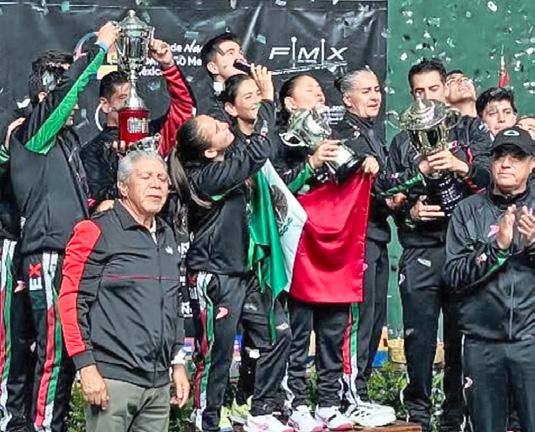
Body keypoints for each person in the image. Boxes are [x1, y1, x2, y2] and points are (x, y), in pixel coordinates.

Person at [9, 22, 119, 432]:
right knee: (54, 352)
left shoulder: (69, 141)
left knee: (66, 350)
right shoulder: (33, 133)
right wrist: (99, 49)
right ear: (45, 93)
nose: (76, 103)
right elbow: (66, 92)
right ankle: (43, 426)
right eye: (63, 90)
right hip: (48, 253)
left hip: (70, 253)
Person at [173, 69, 291, 432]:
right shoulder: (207, 177)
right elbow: (258, 152)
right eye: (216, 128)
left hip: (245, 272)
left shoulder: (227, 161)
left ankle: (258, 409)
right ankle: (205, 421)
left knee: (277, 333)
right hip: (215, 276)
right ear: (209, 150)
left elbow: (253, 150)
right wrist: (267, 100)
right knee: (217, 354)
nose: (224, 125)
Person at [385, 58, 492, 432]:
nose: (426, 97)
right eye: (419, 91)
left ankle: (454, 417)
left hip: (466, 249)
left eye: (433, 89)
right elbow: (387, 189)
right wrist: (410, 209)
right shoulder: (402, 140)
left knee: (462, 337)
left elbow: (491, 178)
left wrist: (460, 166)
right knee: (418, 338)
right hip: (421, 249)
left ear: (445, 89)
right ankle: (417, 414)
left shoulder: (471, 128)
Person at [58, 150, 189, 432]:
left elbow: (174, 303)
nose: (156, 184)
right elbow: (71, 301)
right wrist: (86, 367)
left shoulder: (167, 235)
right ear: (123, 186)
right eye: (146, 177)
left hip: (158, 385)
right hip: (112, 381)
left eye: (162, 178)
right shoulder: (95, 231)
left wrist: (178, 363)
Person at [277, 73, 378, 432]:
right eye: (310, 91)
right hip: (299, 249)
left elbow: (351, 177)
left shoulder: (337, 138)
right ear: (290, 103)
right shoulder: (279, 142)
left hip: (335, 250)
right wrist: (311, 164)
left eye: (321, 91)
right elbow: (276, 191)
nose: (320, 96)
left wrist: (366, 163)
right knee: (297, 332)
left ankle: (329, 403)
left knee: (334, 331)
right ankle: (295, 403)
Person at [444, 126, 535, 432]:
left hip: (530, 343)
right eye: (499, 156)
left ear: (532, 164)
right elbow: (453, 276)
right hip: (481, 346)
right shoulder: (468, 210)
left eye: (516, 157)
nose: (506, 164)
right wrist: (496, 249)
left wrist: (533, 244)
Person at [332, 68, 396, 428]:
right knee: (357, 320)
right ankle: (349, 396)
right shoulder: (342, 134)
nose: (375, 96)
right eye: (366, 91)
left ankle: (361, 391)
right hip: (356, 240)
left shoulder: (372, 133)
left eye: (377, 89)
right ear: (347, 99)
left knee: (374, 319)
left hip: (377, 236)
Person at [82, 36, 194, 211]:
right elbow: (97, 201)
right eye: (123, 98)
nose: (130, 104)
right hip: (122, 226)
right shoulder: (93, 152)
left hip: (162, 222)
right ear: (105, 104)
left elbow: (185, 109)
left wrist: (168, 65)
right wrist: (126, 166)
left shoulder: (155, 136)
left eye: (134, 96)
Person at [0, 110, 34, 432]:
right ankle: (8, 419)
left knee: (25, 340)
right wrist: (6, 150)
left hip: (32, 245)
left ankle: (19, 417)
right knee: (8, 339)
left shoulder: (35, 129)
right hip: (9, 242)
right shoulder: (11, 130)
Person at [199, 32, 248, 122]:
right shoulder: (206, 106)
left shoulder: (258, 95)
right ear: (213, 68)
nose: (240, 58)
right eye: (230, 53)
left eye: (240, 53)